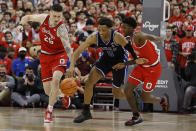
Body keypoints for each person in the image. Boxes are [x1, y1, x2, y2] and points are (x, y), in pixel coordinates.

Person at [67, 17, 148, 123]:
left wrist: (135, 61)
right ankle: (86, 112)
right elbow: (77, 51)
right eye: (99, 29)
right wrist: (72, 66)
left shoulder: (117, 37)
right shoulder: (94, 37)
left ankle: (136, 112)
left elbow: (130, 50)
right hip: (106, 59)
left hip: (119, 61)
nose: (101, 32)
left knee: (117, 94)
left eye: (104, 30)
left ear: (110, 29)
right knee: (90, 81)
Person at [17, 4, 73, 122]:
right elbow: (26, 18)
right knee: (48, 91)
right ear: (50, 13)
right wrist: (21, 25)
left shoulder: (62, 28)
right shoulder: (43, 18)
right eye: (55, 16)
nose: (57, 18)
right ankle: (64, 94)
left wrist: (72, 64)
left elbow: (68, 47)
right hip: (45, 56)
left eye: (59, 16)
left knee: (56, 79)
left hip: (59, 55)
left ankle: (49, 111)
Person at [112, 17, 169, 126]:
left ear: (132, 28)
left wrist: (157, 38)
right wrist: (123, 64)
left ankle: (162, 100)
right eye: (122, 26)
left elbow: (147, 36)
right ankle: (136, 116)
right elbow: (137, 60)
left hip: (153, 69)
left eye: (125, 27)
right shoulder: (128, 39)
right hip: (141, 67)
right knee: (128, 89)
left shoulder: (138, 36)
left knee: (145, 98)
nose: (123, 29)